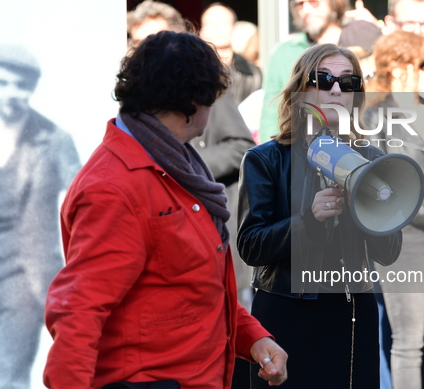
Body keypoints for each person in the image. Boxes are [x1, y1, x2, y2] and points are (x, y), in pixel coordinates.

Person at [43, 31, 287, 389]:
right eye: (215, 99)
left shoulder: (176, 163)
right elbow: (79, 311)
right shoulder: (115, 186)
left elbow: (193, 286)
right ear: (193, 103)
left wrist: (252, 338)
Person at [238, 43, 403, 389]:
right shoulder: (265, 159)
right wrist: (308, 220)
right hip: (286, 315)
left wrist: (375, 211)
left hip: (352, 313)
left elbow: (388, 253)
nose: (336, 89)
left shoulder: (374, 158)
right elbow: (251, 245)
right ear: (302, 89)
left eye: (349, 81)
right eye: (323, 79)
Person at [365, 30, 424, 389]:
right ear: (400, 66)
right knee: (408, 343)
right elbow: (383, 188)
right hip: (403, 241)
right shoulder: (376, 117)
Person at [0, 44, 80, 389]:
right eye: (3, 83)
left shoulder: (54, 138)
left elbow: (85, 200)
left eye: (22, 86)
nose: (12, 94)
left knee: (10, 372)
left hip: (24, 275)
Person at [258, 0, 350, 143]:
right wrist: (272, 158)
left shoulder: (360, 42)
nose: (306, 10)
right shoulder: (284, 52)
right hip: (297, 149)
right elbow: (272, 112)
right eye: (300, 4)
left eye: (313, 2)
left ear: (335, 1)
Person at [200, 3, 262, 105]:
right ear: (201, 30)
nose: (216, 28)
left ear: (234, 28)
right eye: (209, 23)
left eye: (222, 23)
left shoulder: (253, 73)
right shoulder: (193, 72)